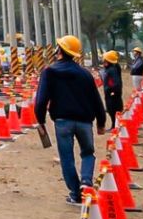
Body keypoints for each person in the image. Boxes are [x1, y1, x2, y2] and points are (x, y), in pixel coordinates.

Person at [34, 35, 107, 205]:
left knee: (67, 158)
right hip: (84, 121)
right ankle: (86, 182)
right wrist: (101, 122)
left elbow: (41, 100)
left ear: (59, 50)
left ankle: (75, 194)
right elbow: (96, 100)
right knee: (88, 153)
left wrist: (40, 121)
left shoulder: (49, 72)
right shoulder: (85, 74)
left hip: (62, 122)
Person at [100, 51, 124, 122]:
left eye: (104, 59)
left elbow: (116, 83)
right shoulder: (110, 68)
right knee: (111, 110)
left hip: (112, 94)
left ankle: (114, 125)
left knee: (113, 110)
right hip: (111, 93)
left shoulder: (112, 70)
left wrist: (109, 90)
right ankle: (114, 124)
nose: (103, 61)